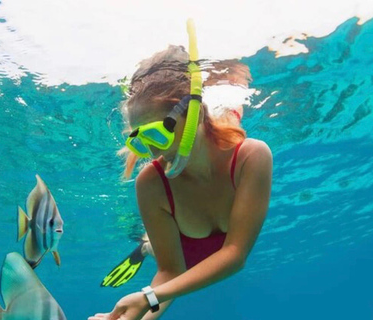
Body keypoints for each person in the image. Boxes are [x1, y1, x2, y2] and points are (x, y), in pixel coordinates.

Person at [89, 38, 272, 320]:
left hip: (220, 129)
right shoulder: (151, 183)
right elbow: (170, 272)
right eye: (139, 141)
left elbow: (235, 254)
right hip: (178, 252)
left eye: (157, 135)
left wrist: (148, 297)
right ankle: (147, 243)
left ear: (195, 114)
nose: (151, 152)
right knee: (153, 247)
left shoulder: (251, 157)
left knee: (230, 117)